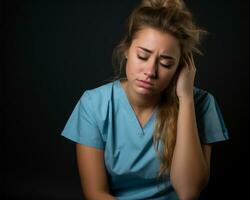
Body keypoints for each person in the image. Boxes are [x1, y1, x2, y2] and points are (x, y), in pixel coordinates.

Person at [61, 0, 229, 199]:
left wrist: (186, 100)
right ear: (126, 50)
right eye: (142, 56)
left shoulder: (201, 104)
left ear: (181, 67)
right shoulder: (93, 104)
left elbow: (188, 192)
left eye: (166, 63)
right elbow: (95, 193)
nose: (150, 71)